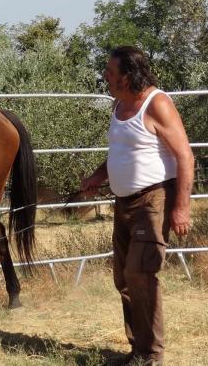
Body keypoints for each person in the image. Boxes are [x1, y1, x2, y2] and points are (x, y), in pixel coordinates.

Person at [81, 46, 194, 365]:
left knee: (140, 272)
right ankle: (138, 349)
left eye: (111, 72)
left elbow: (185, 155)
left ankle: (151, 354)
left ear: (128, 76)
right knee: (124, 277)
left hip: (154, 199)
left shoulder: (156, 103)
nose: (106, 76)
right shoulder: (118, 105)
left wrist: (181, 207)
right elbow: (122, 150)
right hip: (123, 201)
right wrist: (98, 176)